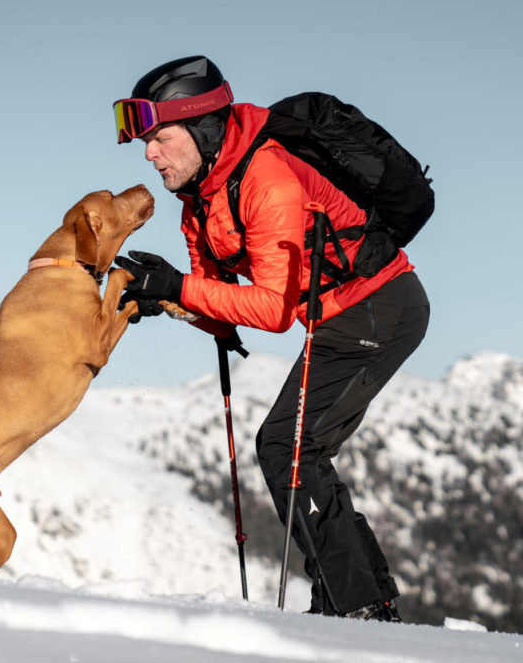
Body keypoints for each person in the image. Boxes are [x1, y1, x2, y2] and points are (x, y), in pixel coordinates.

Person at [111, 55, 429, 621]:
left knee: (287, 446)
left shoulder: (266, 179)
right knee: (296, 449)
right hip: (339, 316)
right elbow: (215, 299)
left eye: (159, 137)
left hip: (379, 305)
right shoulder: (201, 200)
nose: (148, 153)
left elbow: (274, 310)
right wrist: (167, 298)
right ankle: (358, 598)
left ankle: (356, 607)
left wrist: (180, 287)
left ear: (202, 127)